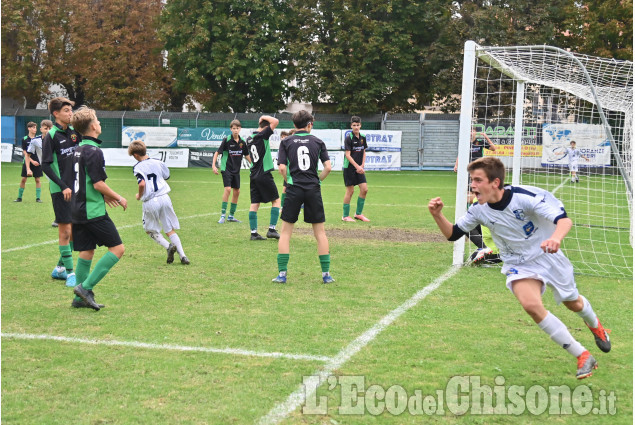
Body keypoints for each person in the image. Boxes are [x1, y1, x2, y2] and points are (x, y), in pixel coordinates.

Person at [428, 157, 611, 379]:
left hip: (549, 257)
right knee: (531, 305)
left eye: (477, 180)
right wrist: (437, 215)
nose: (472, 186)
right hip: (518, 264)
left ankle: (596, 326)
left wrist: (555, 239)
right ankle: (582, 355)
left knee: (573, 302)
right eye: (471, 180)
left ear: (495, 182)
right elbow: (454, 234)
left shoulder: (524, 198)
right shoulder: (478, 210)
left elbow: (564, 221)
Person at [70, 107, 127, 310]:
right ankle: (85, 288)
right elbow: (97, 184)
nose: (100, 123)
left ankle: (78, 300)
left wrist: (104, 195)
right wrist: (118, 197)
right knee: (118, 249)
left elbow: (84, 180)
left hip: (76, 208)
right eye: (98, 120)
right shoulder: (94, 151)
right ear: (93, 126)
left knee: (86, 251)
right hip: (92, 210)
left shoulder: (77, 149)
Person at [272, 110, 334, 284]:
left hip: (294, 188)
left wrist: (289, 181)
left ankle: (282, 275)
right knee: (320, 233)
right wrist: (317, 181)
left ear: (294, 125)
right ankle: (326, 275)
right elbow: (328, 167)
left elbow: (282, 169)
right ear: (309, 125)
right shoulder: (318, 142)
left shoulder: (286, 142)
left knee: (285, 233)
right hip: (313, 189)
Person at [128, 140, 190, 265]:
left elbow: (142, 184)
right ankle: (183, 256)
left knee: (150, 230)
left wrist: (139, 195)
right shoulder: (159, 162)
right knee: (169, 229)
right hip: (165, 197)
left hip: (151, 200)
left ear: (135, 155)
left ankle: (168, 247)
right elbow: (167, 176)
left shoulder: (138, 167)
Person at [41, 97, 81, 287]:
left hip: (76, 188)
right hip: (61, 190)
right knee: (65, 231)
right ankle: (71, 274)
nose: (70, 113)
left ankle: (59, 268)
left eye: (70, 110)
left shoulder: (74, 133)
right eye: (66, 110)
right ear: (56, 114)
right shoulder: (51, 136)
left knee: (75, 230)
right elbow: (46, 165)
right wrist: (63, 185)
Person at [454, 127, 498, 262]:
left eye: (472, 131)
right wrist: (456, 165)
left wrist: (486, 137)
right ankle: (472, 211)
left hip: (479, 172)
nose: (471, 133)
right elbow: (460, 155)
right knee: (468, 195)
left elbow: (493, 148)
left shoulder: (480, 142)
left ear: (475, 133)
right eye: (469, 131)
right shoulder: (465, 145)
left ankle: (475, 212)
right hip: (468, 171)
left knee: (475, 195)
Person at [246, 115, 281, 240]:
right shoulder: (263, 135)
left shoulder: (249, 139)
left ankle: (254, 233)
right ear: (266, 127)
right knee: (276, 201)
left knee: (254, 203)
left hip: (253, 174)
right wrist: (262, 117)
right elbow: (275, 121)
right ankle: (272, 229)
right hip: (264, 173)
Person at [212, 119, 250, 223]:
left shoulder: (242, 142)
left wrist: (254, 165)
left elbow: (247, 155)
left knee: (237, 191)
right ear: (231, 129)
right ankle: (223, 215)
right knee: (228, 189)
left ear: (240, 129)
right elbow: (217, 153)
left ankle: (231, 216)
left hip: (236, 171)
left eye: (237, 128)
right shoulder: (226, 140)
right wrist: (213, 165)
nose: (236, 130)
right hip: (226, 169)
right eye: (234, 128)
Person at [342, 116, 370, 222]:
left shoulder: (363, 137)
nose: (356, 127)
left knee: (364, 189)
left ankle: (358, 214)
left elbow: (363, 151)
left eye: (358, 125)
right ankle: (345, 216)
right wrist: (357, 166)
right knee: (350, 191)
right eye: (354, 125)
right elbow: (348, 155)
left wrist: (362, 165)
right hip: (349, 168)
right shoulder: (348, 137)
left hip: (359, 168)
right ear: (351, 126)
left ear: (360, 125)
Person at [14, 122, 43, 203]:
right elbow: (25, 152)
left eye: (35, 128)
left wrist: (37, 161)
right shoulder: (24, 139)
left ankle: (38, 198)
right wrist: (32, 161)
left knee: (37, 180)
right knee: (23, 179)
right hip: (28, 161)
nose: (35, 129)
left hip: (37, 162)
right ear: (29, 128)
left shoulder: (38, 139)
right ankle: (19, 198)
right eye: (33, 128)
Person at [278, 129, 296, 212]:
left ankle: (296, 206)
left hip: (295, 171)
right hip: (288, 172)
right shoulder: (285, 146)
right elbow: (282, 160)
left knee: (295, 190)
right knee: (285, 188)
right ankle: (282, 206)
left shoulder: (293, 145)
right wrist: (280, 167)